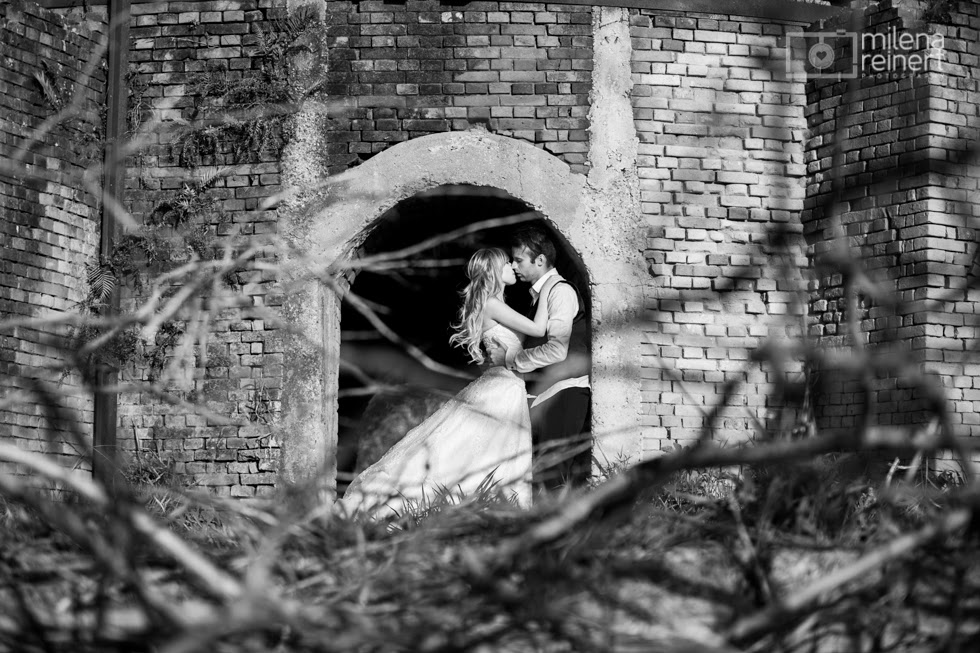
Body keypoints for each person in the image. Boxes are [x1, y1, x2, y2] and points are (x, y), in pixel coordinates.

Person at [340, 247, 558, 518]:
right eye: (506, 264)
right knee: (474, 450)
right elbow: (539, 330)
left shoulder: (497, 304)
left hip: (507, 384)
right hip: (502, 387)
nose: (513, 267)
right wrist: (549, 284)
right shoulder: (492, 304)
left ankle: (495, 511)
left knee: (489, 452)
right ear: (493, 271)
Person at [506, 227, 591, 491]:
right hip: (547, 396)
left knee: (553, 478)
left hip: (565, 393)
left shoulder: (561, 291)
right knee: (540, 477)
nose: (513, 265)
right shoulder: (538, 295)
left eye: (518, 259)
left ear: (540, 260)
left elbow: (556, 350)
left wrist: (515, 361)